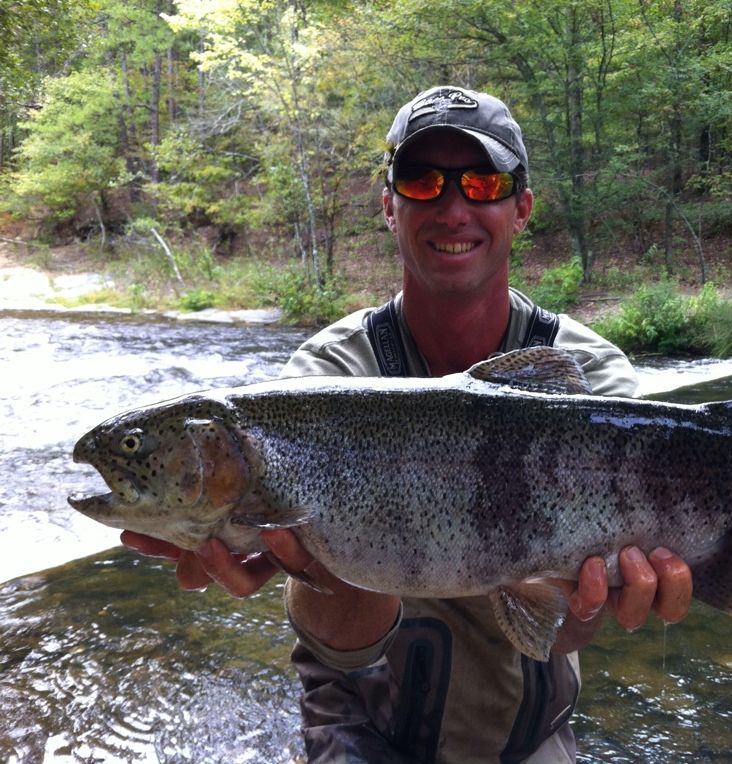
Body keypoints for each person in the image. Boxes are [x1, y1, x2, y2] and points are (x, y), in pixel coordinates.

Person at [123, 85, 693, 763]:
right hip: (356, 725)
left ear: (522, 209)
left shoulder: (592, 382)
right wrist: (317, 565)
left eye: (483, 182)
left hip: (525, 729)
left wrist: (597, 602)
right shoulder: (323, 380)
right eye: (422, 180)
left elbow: (558, 632)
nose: (453, 207)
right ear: (390, 204)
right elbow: (345, 647)